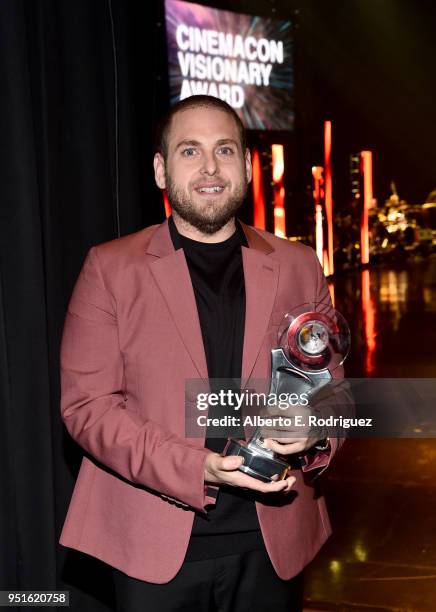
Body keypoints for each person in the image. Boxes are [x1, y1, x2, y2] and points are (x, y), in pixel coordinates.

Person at [59, 95, 345, 611]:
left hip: (271, 543)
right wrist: (199, 468)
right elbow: (88, 408)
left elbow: (335, 393)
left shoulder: (299, 264)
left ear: (248, 167)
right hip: (151, 545)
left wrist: (316, 428)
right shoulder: (111, 268)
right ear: (160, 170)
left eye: (225, 150)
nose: (211, 168)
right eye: (190, 151)